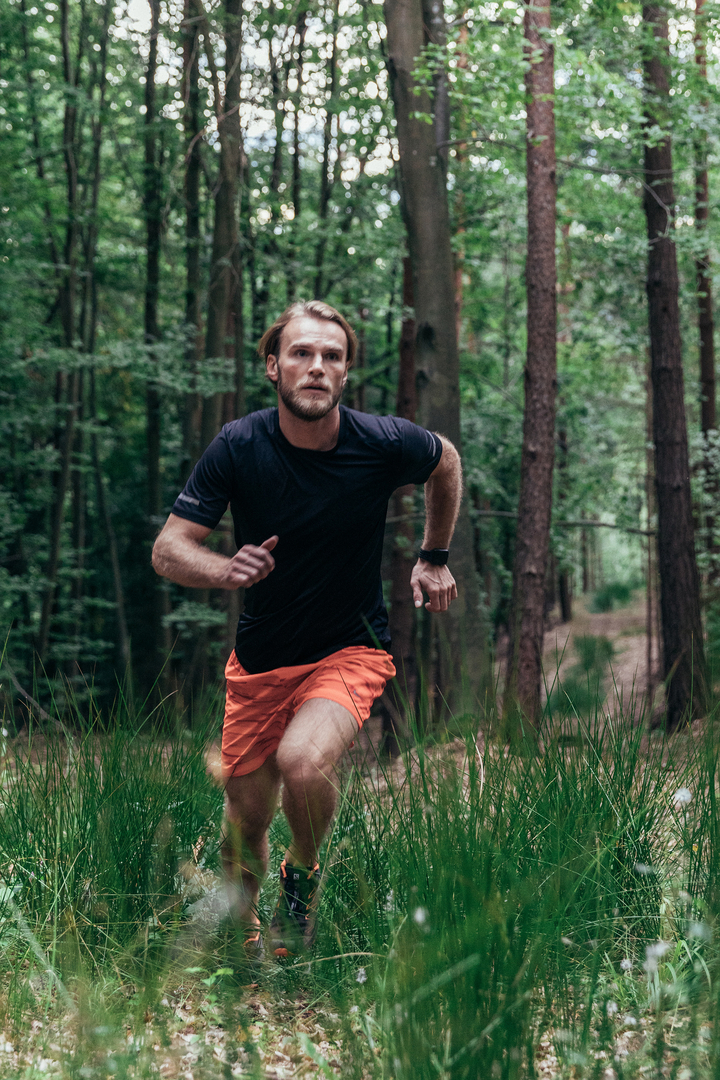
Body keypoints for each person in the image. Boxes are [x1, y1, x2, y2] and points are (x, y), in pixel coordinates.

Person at [152, 300, 462, 959]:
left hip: (350, 649)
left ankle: (305, 871)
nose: (316, 367)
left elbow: (447, 463)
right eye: (301, 353)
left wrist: (433, 557)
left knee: (302, 761)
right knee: (246, 823)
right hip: (261, 661)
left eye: (331, 356)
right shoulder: (239, 446)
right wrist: (224, 569)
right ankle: (251, 950)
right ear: (273, 366)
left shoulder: (381, 443)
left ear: (346, 372)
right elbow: (169, 549)